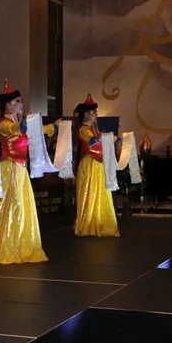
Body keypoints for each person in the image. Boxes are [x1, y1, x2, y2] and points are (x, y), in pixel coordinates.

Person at [0, 80, 55, 264]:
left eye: (20, 101)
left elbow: (34, 131)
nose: (21, 104)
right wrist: (26, 124)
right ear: (7, 105)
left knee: (22, 206)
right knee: (14, 207)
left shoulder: (18, 123)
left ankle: (21, 245)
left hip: (21, 169)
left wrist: (54, 127)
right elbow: (15, 129)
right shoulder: (4, 124)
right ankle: (6, 246)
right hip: (10, 168)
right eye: (17, 101)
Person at [72, 94, 120, 237]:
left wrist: (115, 139)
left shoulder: (94, 129)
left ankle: (101, 221)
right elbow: (91, 141)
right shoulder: (83, 129)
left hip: (98, 164)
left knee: (101, 193)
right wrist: (102, 137)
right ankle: (88, 224)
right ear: (87, 114)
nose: (96, 115)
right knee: (90, 193)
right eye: (94, 113)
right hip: (89, 164)